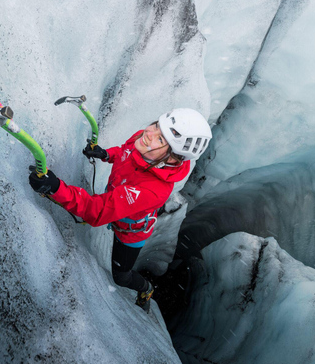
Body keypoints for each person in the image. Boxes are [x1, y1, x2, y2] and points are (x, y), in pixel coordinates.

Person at [28, 108, 212, 312]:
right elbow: (125, 152)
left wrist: (57, 189)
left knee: (122, 277)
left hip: (130, 233)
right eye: (156, 125)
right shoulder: (144, 142)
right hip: (118, 204)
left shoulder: (152, 190)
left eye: (161, 139)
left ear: (172, 160)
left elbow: (96, 211)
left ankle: (146, 288)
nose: (149, 133)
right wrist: (106, 154)